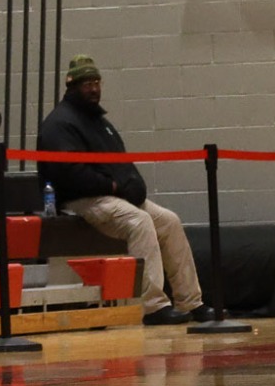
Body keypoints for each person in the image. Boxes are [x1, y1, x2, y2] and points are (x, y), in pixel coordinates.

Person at [39, 55, 210, 326]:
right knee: (139, 222)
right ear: (72, 87)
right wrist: (113, 185)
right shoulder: (59, 125)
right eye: (87, 83)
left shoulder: (100, 122)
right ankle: (154, 306)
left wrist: (134, 185)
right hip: (80, 200)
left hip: (110, 196)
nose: (94, 88)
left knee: (169, 221)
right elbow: (69, 175)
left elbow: (122, 163)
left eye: (96, 81)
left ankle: (190, 301)